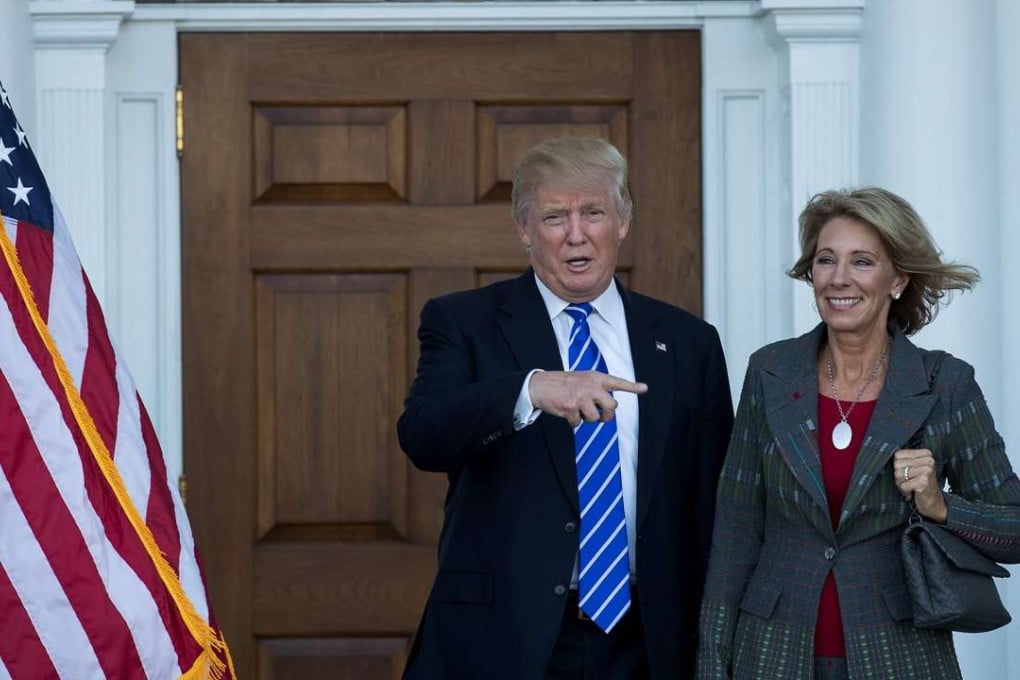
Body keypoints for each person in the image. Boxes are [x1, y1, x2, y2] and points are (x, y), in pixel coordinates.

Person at [398, 137, 734, 679]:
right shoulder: (465, 322)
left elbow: (714, 500)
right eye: (554, 217)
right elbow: (422, 435)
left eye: (593, 212)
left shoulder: (687, 341)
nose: (576, 234)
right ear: (524, 230)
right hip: (506, 638)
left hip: (649, 640)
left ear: (622, 221)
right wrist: (529, 390)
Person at [696, 187, 1020, 680]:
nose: (840, 279)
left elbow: (1014, 530)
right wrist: (712, 666)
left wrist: (942, 506)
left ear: (897, 280)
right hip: (771, 654)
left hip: (898, 654)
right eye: (826, 260)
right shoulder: (770, 372)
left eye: (862, 261)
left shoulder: (944, 383)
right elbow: (736, 532)